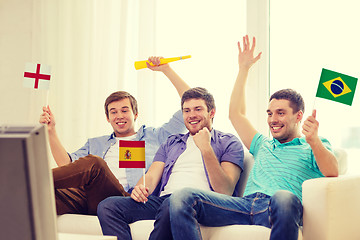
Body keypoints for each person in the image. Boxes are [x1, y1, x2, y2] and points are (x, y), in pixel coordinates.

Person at [155, 35, 339, 240]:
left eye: (280, 113)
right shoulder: (262, 143)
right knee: (181, 197)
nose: (273, 119)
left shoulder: (314, 145)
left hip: (278, 207)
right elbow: (236, 114)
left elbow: (332, 170)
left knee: (284, 197)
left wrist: (313, 140)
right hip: (244, 205)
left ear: (298, 116)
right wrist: (244, 69)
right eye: (269, 113)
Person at [39, 57, 191, 215]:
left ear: (136, 114)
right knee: (46, 194)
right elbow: (67, 166)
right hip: (93, 198)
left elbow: (188, 105)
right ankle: (28, 188)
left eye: (125, 110)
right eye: (113, 112)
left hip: (128, 200)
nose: (119, 116)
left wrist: (167, 70)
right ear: (107, 118)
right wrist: (51, 131)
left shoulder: (156, 136)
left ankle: (32, 178)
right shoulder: (96, 143)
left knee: (95, 163)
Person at [97, 87, 244, 240]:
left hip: (202, 203)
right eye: (186, 111)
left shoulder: (228, 142)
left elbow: (225, 190)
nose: (191, 115)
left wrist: (206, 149)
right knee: (108, 206)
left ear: (211, 112)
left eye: (198, 109)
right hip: (165, 201)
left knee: (175, 200)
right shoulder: (172, 142)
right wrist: (140, 188)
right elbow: (152, 176)